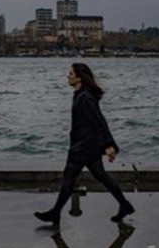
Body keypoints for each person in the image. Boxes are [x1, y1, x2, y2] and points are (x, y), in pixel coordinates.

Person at [35, 63, 135, 226]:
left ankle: (55, 213)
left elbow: (99, 122)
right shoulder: (82, 95)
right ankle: (125, 205)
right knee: (100, 175)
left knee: (69, 176)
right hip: (88, 144)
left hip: (84, 146)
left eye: (71, 74)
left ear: (79, 77)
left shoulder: (85, 97)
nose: (68, 76)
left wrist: (109, 145)